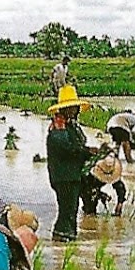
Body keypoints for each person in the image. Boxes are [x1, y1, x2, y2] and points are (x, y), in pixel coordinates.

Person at [46, 83, 93, 241]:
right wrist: (87, 152)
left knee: (72, 208)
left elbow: (77, 146)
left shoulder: (71, 126)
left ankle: (67, 238)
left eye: (76, 107)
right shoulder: (58, 127)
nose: (75, 110)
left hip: (71, 173)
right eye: (72, 107)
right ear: (65, 109)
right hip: (63, 175)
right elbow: (67, 149)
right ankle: (62, 236)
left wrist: (88, 151)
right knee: (67, 209)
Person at [82, 142, 126, 216]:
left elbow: (121, 188)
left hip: (95, 180)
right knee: (90, 208)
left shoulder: (112, 166)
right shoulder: (91, 171)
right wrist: (102, 195)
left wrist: (120, 203)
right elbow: (87, 190)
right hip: (84, 182)